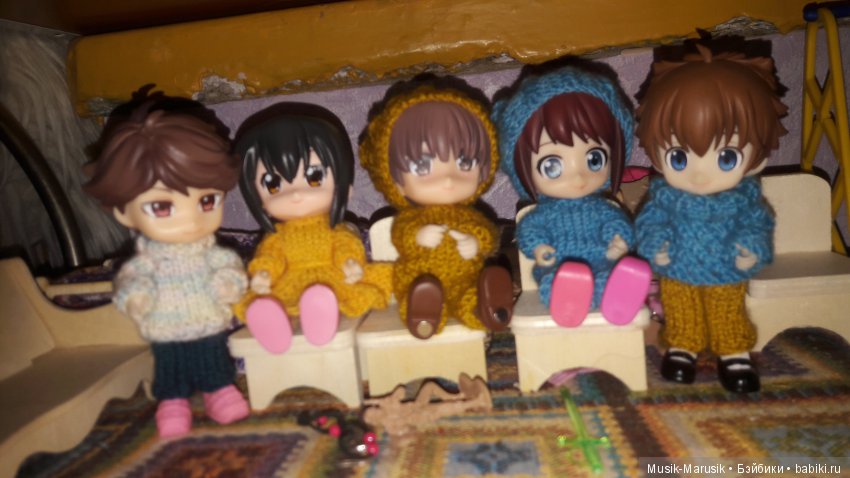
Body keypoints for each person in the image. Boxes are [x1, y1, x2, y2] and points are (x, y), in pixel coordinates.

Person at [84, 104, 249, 438]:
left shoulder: (212, 254)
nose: (191, 219)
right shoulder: (146, 262)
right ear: (124, 212)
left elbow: (229, 268)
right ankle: (173, 402)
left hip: (208, 322)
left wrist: (229, 283)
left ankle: (219, 390)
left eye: (207, 201)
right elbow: (130, 281)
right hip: (165, 328)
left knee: (214, 361)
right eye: (162, 206)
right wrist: (136, 297)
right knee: (170, 369)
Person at [634, 44, 788, 393]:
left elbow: (758, 227)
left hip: (726, 270)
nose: (700, 175)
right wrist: (656, 245)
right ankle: (682, 348)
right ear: (656, 153)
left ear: (758, 156)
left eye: (726, 157)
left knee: (727, 310)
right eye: (679, 157)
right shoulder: (663, 200)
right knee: (681, 308)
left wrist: (751, 248)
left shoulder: (746, 203)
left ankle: (733, 354)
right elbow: (649, 225)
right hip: (677, 268)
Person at [492, 64, 651, 327]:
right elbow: (530, 231)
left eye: (594, 159)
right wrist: (541, 249)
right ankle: (569, 301)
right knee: (556, 282)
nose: (578, 178)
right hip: (560, 267)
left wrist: (619, 241)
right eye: (552, 165)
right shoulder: (542, 214)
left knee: (609, 277)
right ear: (521, 168)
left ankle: (618, 299)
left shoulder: (604, 207)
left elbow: (616, 223)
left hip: (602, 260)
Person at [360, 82, 514, 339]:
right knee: (420, 292)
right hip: (421, 279)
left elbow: (486, 233)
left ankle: (486, 308)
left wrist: (475, 243)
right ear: (393, 180)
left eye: (465, 162)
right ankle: (424, 314)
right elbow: (402, 235)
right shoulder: (411, 219)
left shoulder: (470, 216)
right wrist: (419, 236)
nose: (448, 179)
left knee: (470, 294)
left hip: (465, 278)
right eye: (423, 166)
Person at [234, 107, 392, 354]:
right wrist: (264, 273)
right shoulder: (276, 237)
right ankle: (275, 324)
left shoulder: (334, 230)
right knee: (272, 300)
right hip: (290, 279)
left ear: (343, 186)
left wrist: (349, 262)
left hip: (331, 275)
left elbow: (344, 245)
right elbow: (271, 256)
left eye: (314, 177)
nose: (295, 193)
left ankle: (321, 318)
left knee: (343, 294)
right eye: (273, 185)